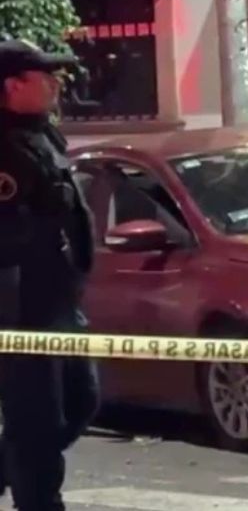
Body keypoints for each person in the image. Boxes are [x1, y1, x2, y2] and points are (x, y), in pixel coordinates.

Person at [0, 39, 100, 510]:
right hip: (23, 308)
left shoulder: (42, 134)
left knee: (82, 401)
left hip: (61, 300)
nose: (55, 84)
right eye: (44, 76)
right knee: (36, 421)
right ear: (12, 86)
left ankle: (9, 462)